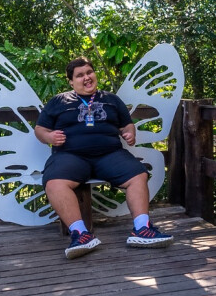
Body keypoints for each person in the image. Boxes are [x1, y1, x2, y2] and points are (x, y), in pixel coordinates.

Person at [35, 56, 175, 259]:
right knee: (54, 184)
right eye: (80, 75)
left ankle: (142, 229)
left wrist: (129, 132)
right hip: (70, 156)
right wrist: (49, 136)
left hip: (110, 155)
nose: (86, 78)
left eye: (89, 72)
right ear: (71, 81)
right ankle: (81, 234)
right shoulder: (59, 101)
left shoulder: (111, 99)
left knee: (138, 175)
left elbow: (127, 124)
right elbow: (40, 129)